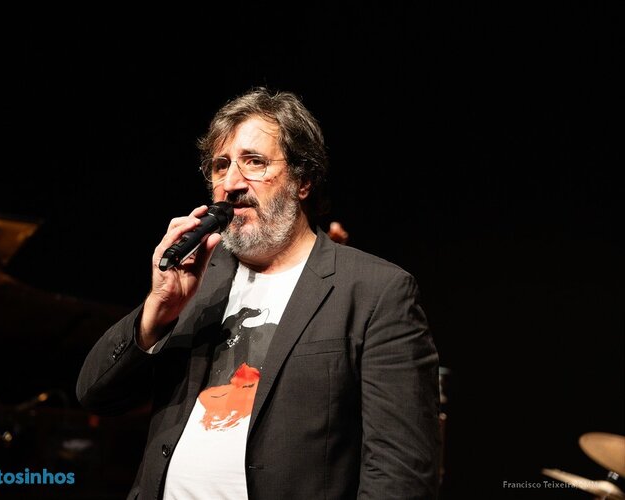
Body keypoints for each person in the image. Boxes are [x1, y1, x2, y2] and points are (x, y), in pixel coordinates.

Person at [76, 88, 440, 499]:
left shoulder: (375, 291)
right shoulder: (198, 278)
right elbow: (96, 396)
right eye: (221, 166)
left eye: (254, 162)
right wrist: (156, 311)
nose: (231, 184)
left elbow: (401, 472)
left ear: (303, 181)